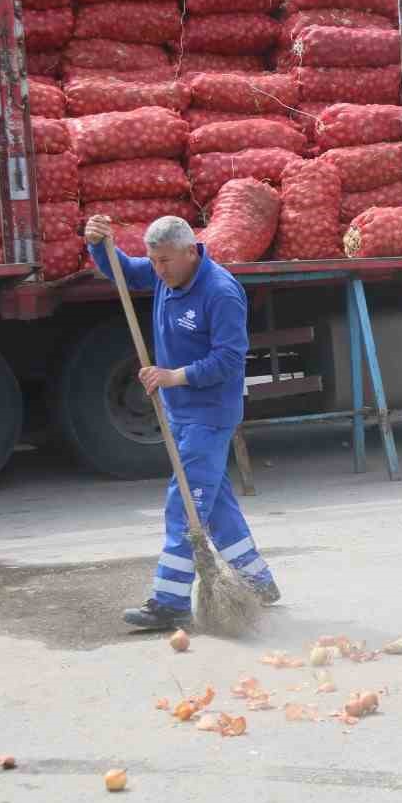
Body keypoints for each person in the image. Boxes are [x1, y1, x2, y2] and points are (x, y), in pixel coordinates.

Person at [85, 213, 279, 630]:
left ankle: (170, 602)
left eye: (165, 261)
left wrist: (175, 376)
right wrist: (98, 245)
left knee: (185, 505)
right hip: (180, 412)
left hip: (208, 416)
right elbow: (121, 270)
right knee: (214, 505)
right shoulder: (164, 275)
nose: (158, 270)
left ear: (191, 252)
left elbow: (229, 359)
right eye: (154, 261)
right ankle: (258, 582)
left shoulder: (220, 292)